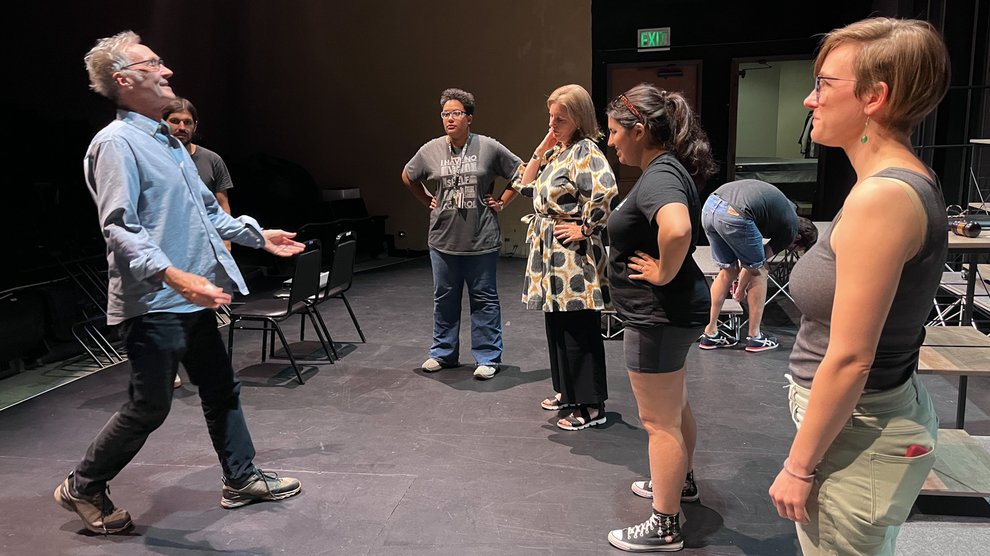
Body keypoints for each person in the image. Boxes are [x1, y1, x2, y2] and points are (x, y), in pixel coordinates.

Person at [54, 31, 305, 535]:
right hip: (155, 300)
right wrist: (173, 275)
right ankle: (83, 485)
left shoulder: (169, 142)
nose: (167, 71)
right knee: (150, 405)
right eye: (153, 64)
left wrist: (259, 236)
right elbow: (120, 227)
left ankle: (241, 478)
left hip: (191, 296)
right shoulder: (115, 144)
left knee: (219, 387)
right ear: (124, 80)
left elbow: (207, 213)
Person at [768, 18, 950, 555]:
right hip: (860, 422)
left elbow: (851, 357)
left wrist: (799, 466)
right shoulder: (891, 182)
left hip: (859, 431)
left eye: (824, 83)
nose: (809, 99)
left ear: (875, 96)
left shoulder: (884, 197)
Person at [604, 84, 717, 552]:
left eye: (614, 132)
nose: (610, 142)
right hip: (671, 313)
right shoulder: (665, 169)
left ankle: (665, 524)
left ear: (639, 129)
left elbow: (678, 228)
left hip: (658, 316)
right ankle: (681, 484)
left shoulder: (659, 176)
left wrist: (663, 271)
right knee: (675, 406)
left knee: (658, 422)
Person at [512, 84, 618, 430]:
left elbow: (605, 192)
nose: (552, 124)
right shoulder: (560, 151)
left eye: (560, 118)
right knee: (557, 323)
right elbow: (524, 184)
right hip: (551, 255)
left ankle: (591, 405)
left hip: (573, 256)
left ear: (579, 118)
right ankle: (566, 390)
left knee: (578, 327)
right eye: (550, 117)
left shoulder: (586, 150)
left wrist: (585, 229)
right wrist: (544, 146)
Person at [401, 88, 523, 380]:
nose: (450, 119)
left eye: (456, 113)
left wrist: (503, 201)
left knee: (484, 299)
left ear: (469, 117)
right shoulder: (430, 149)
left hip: (481, 239)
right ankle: (443, 353)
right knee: (444, 298)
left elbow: (521, 171)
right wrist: (426, 199)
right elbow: (408, 175)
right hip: (443, 239)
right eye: (445, 114)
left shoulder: (488, 146)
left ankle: (488, 356)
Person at [698, 179, 818, 352]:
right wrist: (740, 291)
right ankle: (755, 337)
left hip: (710, 206)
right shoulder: (790, 229)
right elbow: (755, 266)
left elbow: (750, 261)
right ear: (798, 238)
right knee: (760, 272)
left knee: (728, 270)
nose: (790, 251)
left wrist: (740, 286)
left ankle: (710, 333)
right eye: (796, 249)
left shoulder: (784, 211)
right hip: (735, 212)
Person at [163, 97, 234, 216]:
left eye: (187, 122)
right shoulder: (155, 159)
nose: (181, 127)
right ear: (163, 123)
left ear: (195, 126)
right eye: (175, 121)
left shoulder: (212, 160)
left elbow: (224, 208)